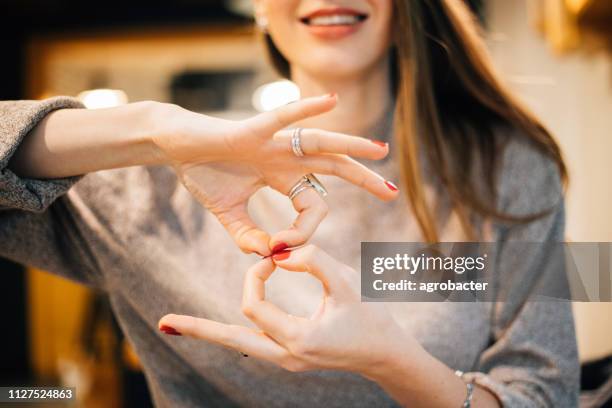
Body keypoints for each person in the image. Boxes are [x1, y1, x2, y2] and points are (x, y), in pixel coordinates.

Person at [0, 1, 578, 407]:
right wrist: (153, 128)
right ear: (258, 8)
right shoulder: (149, 180)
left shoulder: (513, 167)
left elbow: (549, 392)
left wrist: (394, 361)